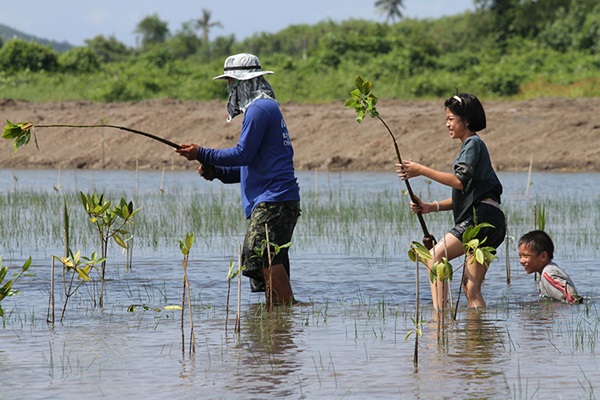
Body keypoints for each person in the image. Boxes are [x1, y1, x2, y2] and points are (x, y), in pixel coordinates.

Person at [176, 53, 301, 303]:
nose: (229, 88)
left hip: (273, 201)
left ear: (243, 83)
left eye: (231, 82)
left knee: (258, 254)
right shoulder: (265, 108)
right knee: (268, 260)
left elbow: (242, 154)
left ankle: (289, 308)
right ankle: (278, 326)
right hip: (277, 200)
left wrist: (201, 152)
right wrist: (216, 172)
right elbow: (250, 167)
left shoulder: (258, 110)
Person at [397, 93, 506, 310]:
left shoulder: (472, 144)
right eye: (446, 119)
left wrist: (421, 170)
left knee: (435, 256)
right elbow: (470, 193)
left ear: (466, 120)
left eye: (451, 119)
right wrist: (431, 207)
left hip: (480, 220)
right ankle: (478, 337)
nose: (447, 124)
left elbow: (458, 181)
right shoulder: (474, 146)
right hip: (492, 220)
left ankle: (439, 321)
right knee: (470, 288)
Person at [518, 230, 582, 304]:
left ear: (543, 256)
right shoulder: (543, 273)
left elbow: (573, 298)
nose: (521, 261)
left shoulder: (548, 273)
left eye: (526, 256)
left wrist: (557, 312)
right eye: (520, 256)